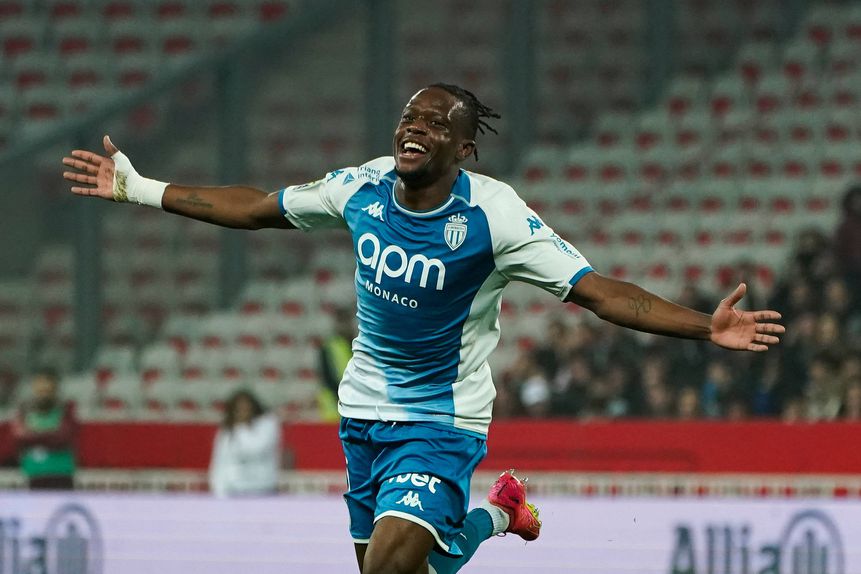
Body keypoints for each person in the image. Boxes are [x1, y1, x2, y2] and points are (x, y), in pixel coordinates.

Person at [62, 83, 784, 574]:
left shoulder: (495, 217)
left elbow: (600, 294)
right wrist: (140, 188)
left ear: (464, 149)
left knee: (388, 566)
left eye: (437, 124)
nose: (415, 128)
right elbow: (256, 208)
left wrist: (704, 328)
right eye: (411, 117)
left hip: (441, 420)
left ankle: (494, 514)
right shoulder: (362, 187)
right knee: (412, 569)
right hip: (362, 415)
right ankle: (500, 515)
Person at [11, 369, 78, 490]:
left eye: (48, 390)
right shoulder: (24, 409)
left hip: (61, 472)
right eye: (41, 389)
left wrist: (33, 435)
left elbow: (63, 436)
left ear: (55, 388)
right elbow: (19, 435)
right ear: (34, 387)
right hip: (33, 472)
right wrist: (50, 434)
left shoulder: (66, 408)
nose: (44, 393)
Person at [209, 388, 281, 497]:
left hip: (263, 488)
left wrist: (242, 427)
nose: (243, 410)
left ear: (253, 406)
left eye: (246, 406)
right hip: (233, 489)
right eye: (239, 408)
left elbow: (258, 448)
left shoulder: (267, 424)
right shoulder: (227, 430)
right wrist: (218, 489)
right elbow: (219, 461)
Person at [318, 306, 356, 422]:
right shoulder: (329, 346)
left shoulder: (357, 343)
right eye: (341, 321)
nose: (344, 325)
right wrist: (343, 396)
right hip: (334, 404)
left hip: (355, 402)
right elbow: (328, 377)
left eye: (346, 321)